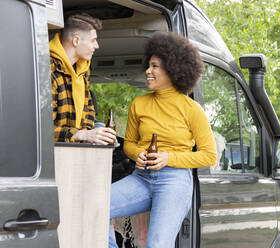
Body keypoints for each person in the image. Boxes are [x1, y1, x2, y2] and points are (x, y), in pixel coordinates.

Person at [109, 32, 217, 248]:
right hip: (141, 177)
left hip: (174, 181)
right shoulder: (138, 104)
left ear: (173, 69)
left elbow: (209, 155)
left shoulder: (192, 110)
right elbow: (129, 144)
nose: (148, 71)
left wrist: (169, 158)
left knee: (156, 245)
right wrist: (136, 154)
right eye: (148, 66)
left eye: (155, 66)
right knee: (95, 205)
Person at [50, 13, 116, 144]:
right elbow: (40, 130)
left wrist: (90, 134)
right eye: (93, 40)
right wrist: (82, 135)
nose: (97, 46)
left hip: (74, 152)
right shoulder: (48, 71)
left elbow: (88, 113)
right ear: (76, 41)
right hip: (49, 156)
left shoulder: (83, 71)